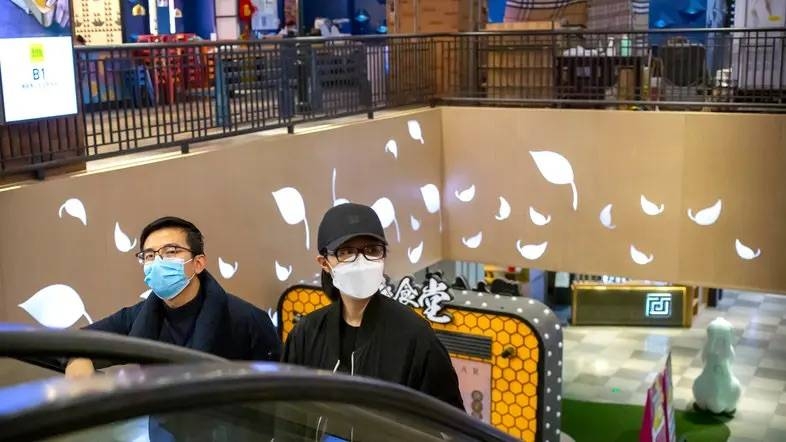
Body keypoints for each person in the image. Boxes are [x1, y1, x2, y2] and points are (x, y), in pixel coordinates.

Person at [283, 203, 464, 410]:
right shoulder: (306, 334)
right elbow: (288, 414)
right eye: (346, 252)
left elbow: (448, 423)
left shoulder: (415, 338)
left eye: (372, 250)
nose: (361, 261)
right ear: (324, 263)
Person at [65, 216, 281, 378]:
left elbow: (278, 388)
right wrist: (78, 362)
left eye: (170, 252)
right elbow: (71, 344)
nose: (158, 262)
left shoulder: (247, 320)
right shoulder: (139, 317)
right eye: (149, 256)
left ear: (198, 263)